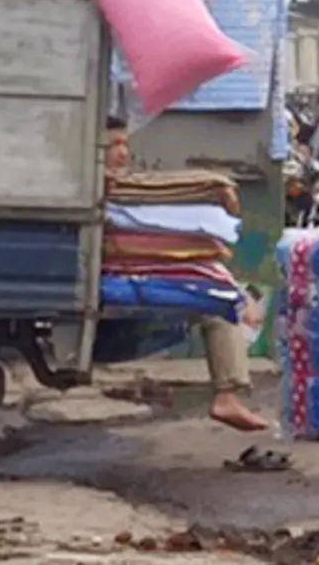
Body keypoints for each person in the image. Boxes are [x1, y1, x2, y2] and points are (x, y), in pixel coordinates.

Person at [103, 120, 267, 434]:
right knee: (217, 301)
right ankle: (227, 395)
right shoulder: (97, 185)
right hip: (125, 266)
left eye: (125, 144)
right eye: (113, 145)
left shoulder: (122, 186)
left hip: (139, 260)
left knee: (220, 293)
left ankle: (228, 394)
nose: (123, 153)